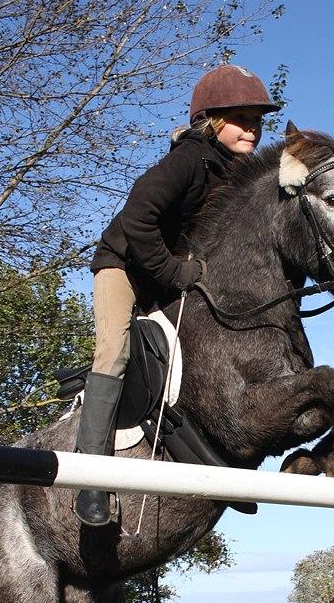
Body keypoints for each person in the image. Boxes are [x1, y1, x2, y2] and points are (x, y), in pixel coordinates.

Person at [75, 65, 280, 526]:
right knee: (114, 352)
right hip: (125, 267)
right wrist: (172, 271)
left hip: (173, 274)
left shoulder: (241, 172)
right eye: (241, 118)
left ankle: (213, 463)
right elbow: (137, 218)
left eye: (257, 119)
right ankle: (90, 478)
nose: (252, 127)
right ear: (211, 121)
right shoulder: (186, 160)